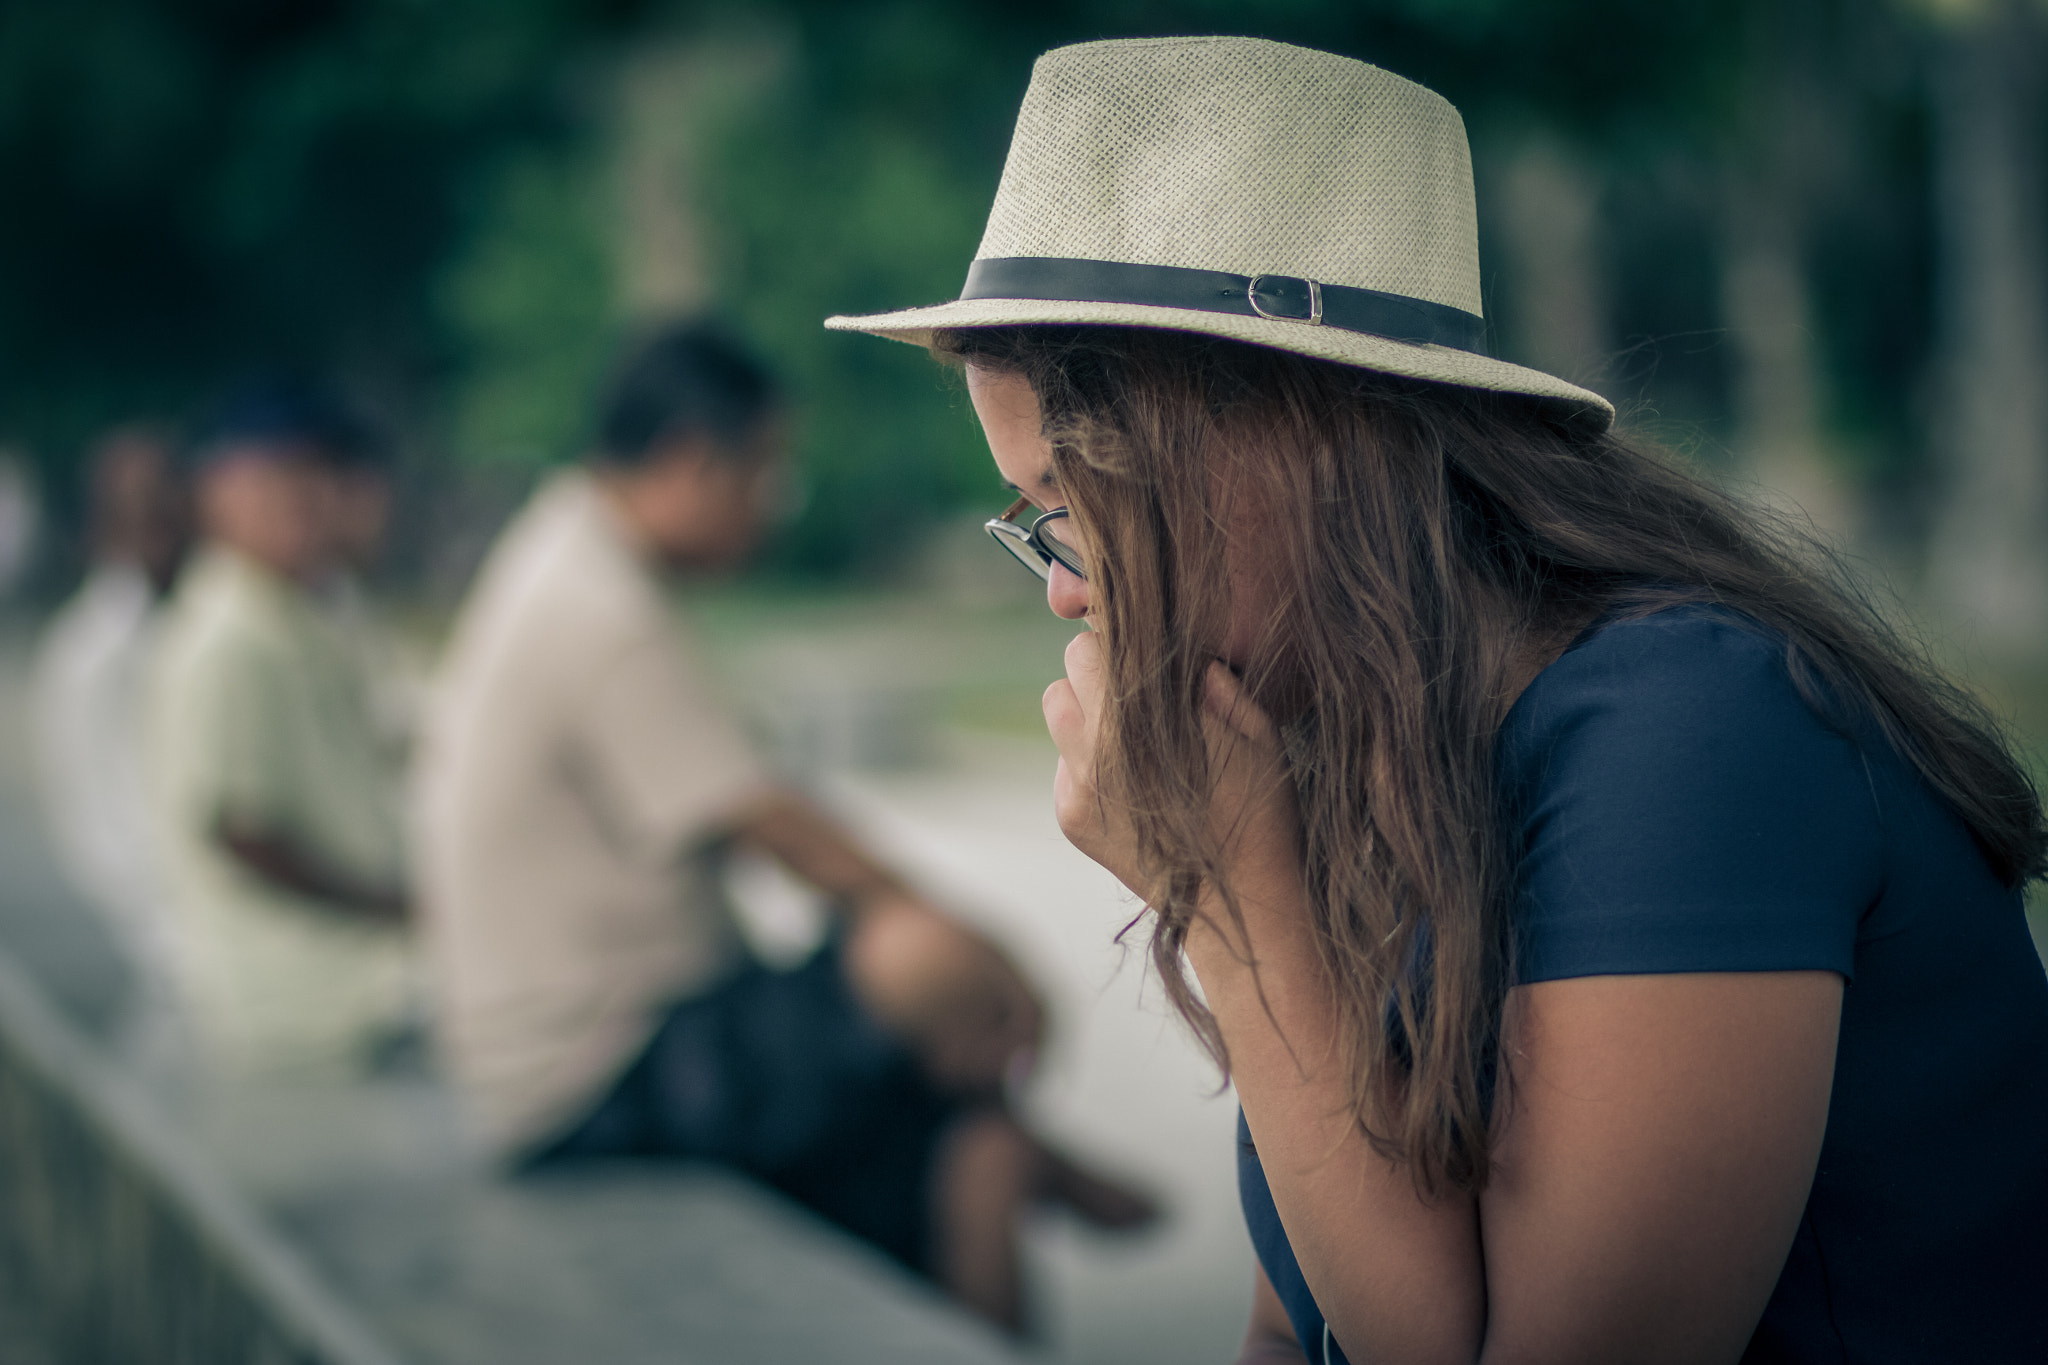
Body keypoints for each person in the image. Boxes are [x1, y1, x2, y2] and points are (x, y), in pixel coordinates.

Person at [825, 36, 2048, 1365]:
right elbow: (1301, 1318)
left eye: (1068, 511)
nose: (1065, 592)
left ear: (1286, 448)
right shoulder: (1366, 740)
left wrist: (1241, 900)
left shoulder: (1694, 736)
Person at [415, 321, 1153, 1334]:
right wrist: (993, 968)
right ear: (688, 460)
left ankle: (1006, 1146)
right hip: (595, 1078)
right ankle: (1015, 1147)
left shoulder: (564, 553)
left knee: (966, 1145)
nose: (771, 506)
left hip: (612, 1053)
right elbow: (780, 831)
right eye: (765, 474)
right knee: (911, 956)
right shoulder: (595, 604)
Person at [146, 377, 414, 1079]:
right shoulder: (227, 633)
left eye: (317, 478)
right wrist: (386, 904)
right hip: (304, 986)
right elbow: (239, 825)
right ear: (213, 495)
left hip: (354, 958)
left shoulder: (308, 610)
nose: (301, 502)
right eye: (274, 481)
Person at [32, 424, 191, 1077]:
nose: (157, 518)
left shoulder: (196, 614)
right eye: (137, 505)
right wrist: (168, 926)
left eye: (166, 499)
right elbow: (94, 821)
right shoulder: (86, 655)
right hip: (168, 944)